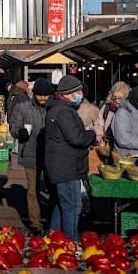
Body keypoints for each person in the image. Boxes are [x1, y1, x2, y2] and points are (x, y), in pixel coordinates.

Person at [43, 75, 96, 238]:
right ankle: (70, 241)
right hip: (67, 167)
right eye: (78, 91)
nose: (81, 94)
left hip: (61, 166)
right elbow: (77, 138)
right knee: (73, 206)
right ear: (69, 93)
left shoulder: (57, 108)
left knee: (63, 205)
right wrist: (91, 135)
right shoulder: (64, 112)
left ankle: (53, 238)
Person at [9, 77, 53, 233]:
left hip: (51, 154)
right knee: (33, 190)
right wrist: (19, 133)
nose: (42, 98)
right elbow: (14, 126)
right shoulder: (23, 107)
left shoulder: (54, 107)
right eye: (40, 95)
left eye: (46, 95)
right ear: (34, 94)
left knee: (52, 189)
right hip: (30, 152)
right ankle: (36, 224)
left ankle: (53, 221)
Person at [100, 81, 131, 149]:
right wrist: (100, 137)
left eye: (120, 98)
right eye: (114, 97)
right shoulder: (106, 107)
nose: (117, 100)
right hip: (107, 144)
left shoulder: (130, 110)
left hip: (123, 148)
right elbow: (99, 124)